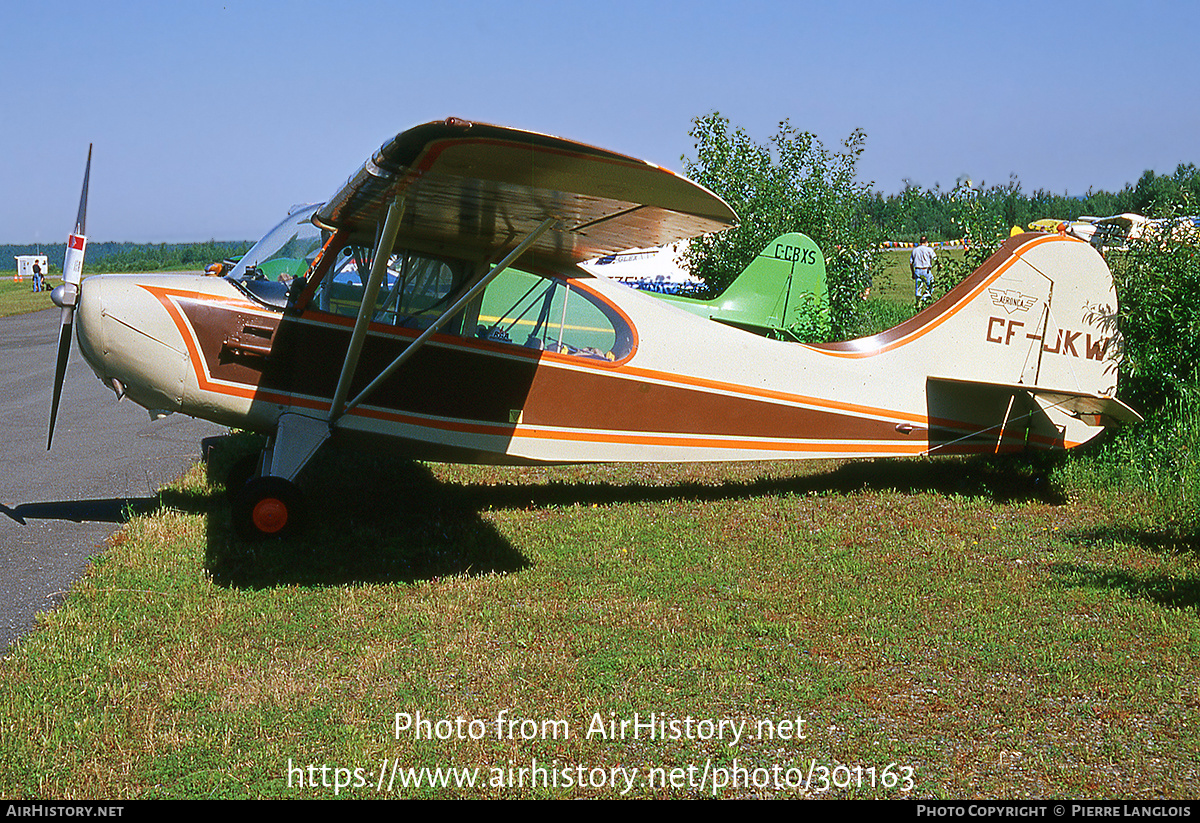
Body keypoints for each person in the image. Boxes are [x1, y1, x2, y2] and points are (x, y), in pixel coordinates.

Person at [910, 236, 936, 304]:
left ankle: (918, 302)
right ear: (926, 242)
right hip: (926, 270)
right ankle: (924, 298)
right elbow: (935, 259)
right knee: (931, 284)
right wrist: (939, 265)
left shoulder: (915, 250)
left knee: (918, 287)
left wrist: (912, 273)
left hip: (917, 270)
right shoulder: (929, 250)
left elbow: (911, 263)